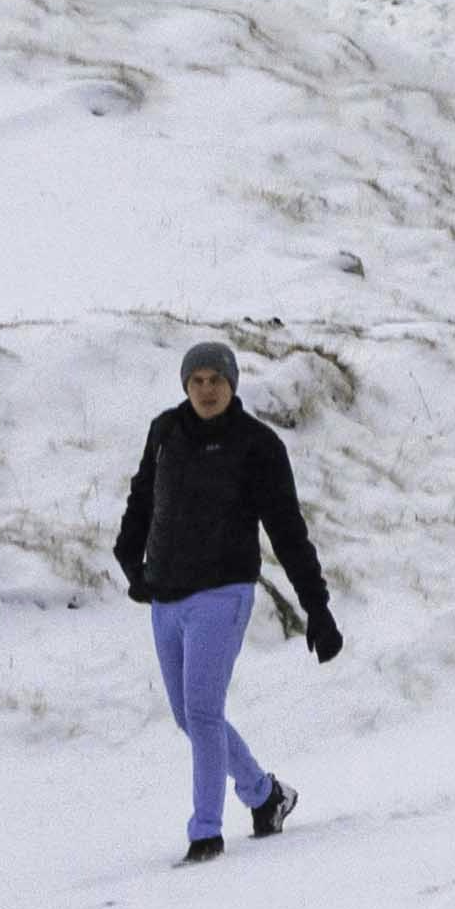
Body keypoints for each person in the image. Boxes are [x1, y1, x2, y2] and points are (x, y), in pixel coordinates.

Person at [113, 337, 337, 863]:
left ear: (232, 384)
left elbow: (287, 530)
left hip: (224, 590)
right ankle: (266, 795)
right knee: (189, 717)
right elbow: (142, 500)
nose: (207, 389)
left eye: (216, 380)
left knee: (204, 711)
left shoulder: (257, 445)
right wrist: (131, 564)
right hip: (167, 595)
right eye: (198, 380)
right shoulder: (165, 432)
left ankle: (205, 832)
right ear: (185, 385)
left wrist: (317, 607)